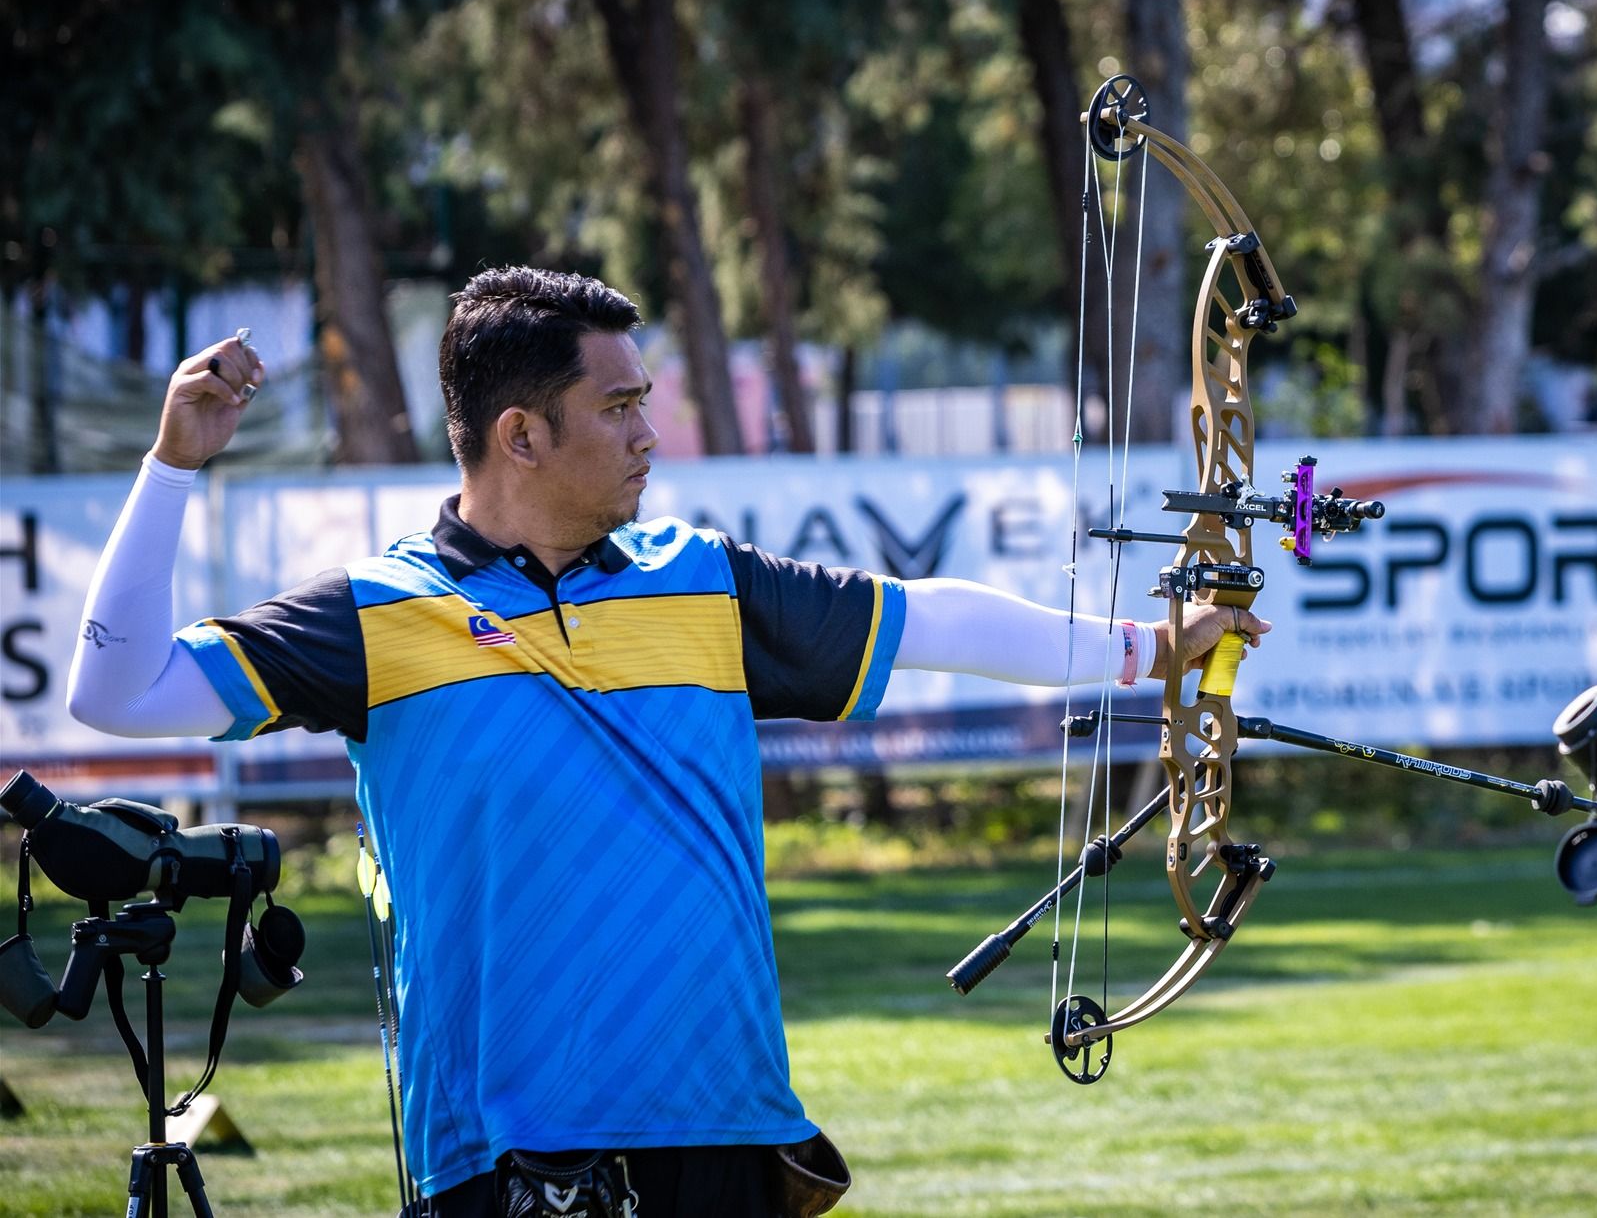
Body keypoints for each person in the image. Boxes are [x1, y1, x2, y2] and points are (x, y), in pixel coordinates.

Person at [66, 267, 1266, 1218]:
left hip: (727, 1128)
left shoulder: (699, 581)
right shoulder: (376, 616)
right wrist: (173, 468)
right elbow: (117, 692)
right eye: (621, 408)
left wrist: (1144, 653)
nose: (651, 433)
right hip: (505, 1145)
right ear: (522, 435)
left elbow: (930, 616)